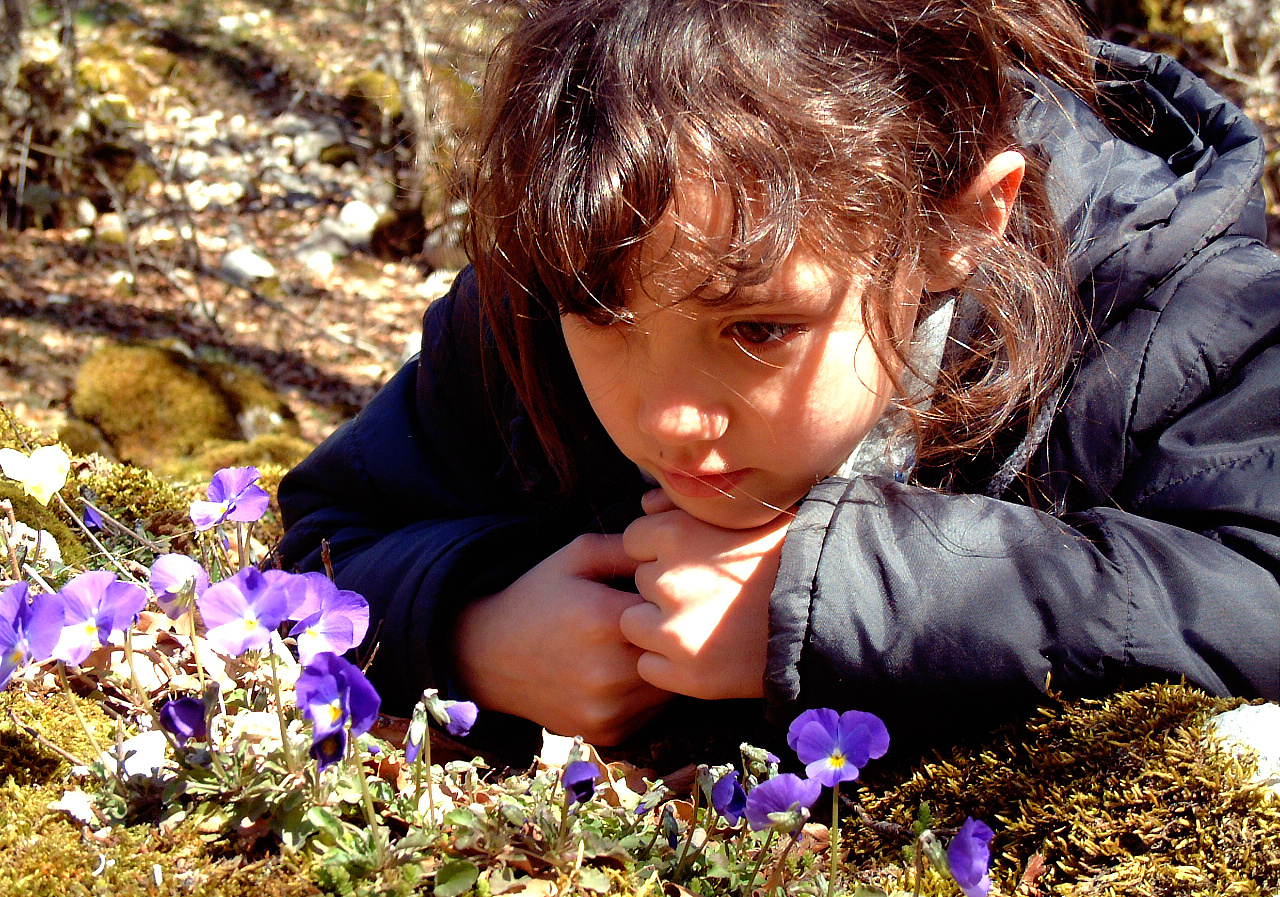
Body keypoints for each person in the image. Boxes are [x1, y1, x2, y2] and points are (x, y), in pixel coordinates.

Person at [277, 0, 1280, 758]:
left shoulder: (1176, 312)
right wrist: (468, 631)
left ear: (967, 221)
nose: (668, 420)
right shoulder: (553, 277)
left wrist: (832, 601)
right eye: (603, 320)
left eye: (757, 327)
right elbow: (322, 545)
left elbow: (1254, 598)